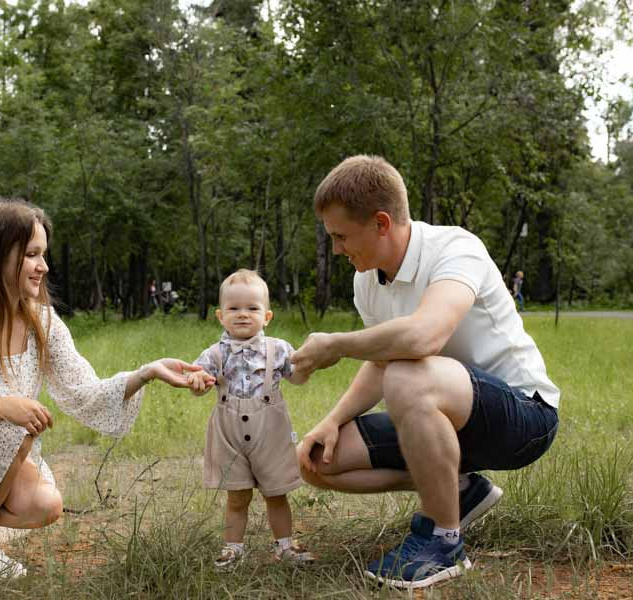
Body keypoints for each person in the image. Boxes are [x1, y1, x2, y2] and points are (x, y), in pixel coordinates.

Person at [0, 199, 203, 578]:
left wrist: (147, 372)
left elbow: (84, 392)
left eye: (43, 254)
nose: (43, 266)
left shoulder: (42, 322)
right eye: (32, 254)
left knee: (45, 504)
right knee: (14, 423)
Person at [290, 156, 559, 590]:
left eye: (341, 236)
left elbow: (423, 337)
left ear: (381, 223)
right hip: (443, 420)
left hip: (522, 417)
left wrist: (335, 344)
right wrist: (332, 421)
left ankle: (443, 542)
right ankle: (461, 490)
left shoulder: (456, 248)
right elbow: (382, 359)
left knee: (407, 377)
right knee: (317, 460)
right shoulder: (366, 280)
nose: (336, 249)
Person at [186, 269, 315, 570]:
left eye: (252, 308)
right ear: (221, 316)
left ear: (266, 316)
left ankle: (285, 546)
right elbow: (197, 383)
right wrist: (196, 382)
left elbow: (297, 378)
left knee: (276, 493)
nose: (243, 314)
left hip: (270, 430)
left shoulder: (278, 349)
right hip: (229, 432)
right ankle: (233, 549)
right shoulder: (213, 354)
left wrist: (308, 365)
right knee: (237, 496)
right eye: (234, 308)